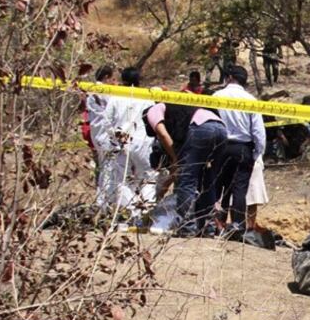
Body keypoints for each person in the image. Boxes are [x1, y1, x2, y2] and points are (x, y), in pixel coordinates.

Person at [144, 99, 226, 235]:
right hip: (221, 129)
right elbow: (177, 170)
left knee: (187, 181)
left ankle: (187, 227)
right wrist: (164, 187)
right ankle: (207, 228)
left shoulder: (153, 110)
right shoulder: (180, 113)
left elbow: (163, 134)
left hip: (201, 128)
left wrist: (176, 159)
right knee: (206, 181)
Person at [212, 65, 265, 232]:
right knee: (239, 188)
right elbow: (258, 132)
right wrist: (257, 153)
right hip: (243, 148)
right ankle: (238, 226)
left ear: (228, 78)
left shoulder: (216, 96)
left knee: (218, 186)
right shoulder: (250, 100)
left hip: (220, 146)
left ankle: (216, 224)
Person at [96, 67, 155, 210]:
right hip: (144, 142)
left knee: (122, 180)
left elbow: (106, 122)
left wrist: (115, 138)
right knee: (147, 178)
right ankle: (145, 211)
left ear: (123, 80)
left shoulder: (116, 97)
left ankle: (130, 211)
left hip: (122, 141)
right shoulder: (147, 97)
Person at [82, 64, 116, 168]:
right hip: (105, 132)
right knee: (109, 167)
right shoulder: (107, 91)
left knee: (103, 164)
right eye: (111, 78)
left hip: (95, 131)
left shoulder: (90, 89)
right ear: (106, 77)